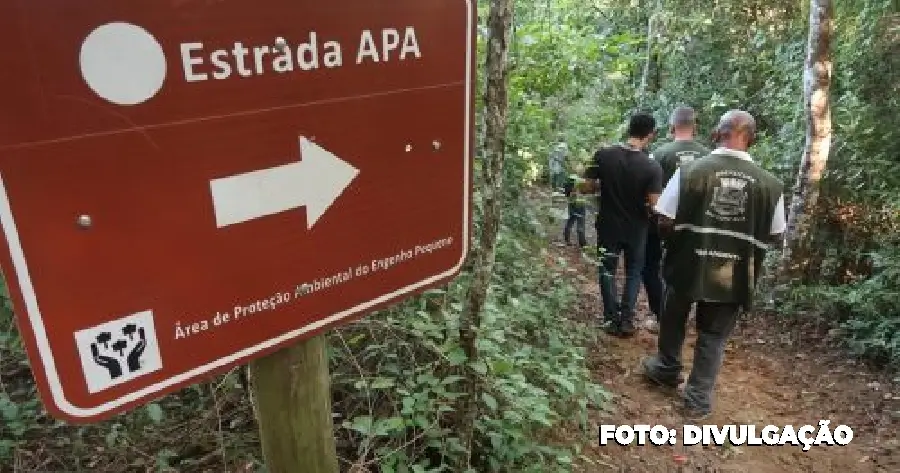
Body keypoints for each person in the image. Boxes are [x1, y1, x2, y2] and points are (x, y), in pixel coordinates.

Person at [641, 110, 786, 420]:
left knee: (673, 315)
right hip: (734, 272)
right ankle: (697, 401)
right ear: (751, 138)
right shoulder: (770, 185)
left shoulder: (692, 172)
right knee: (714, 336)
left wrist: (680, 235)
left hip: (686, 263)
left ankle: (667, 368)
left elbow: (664, 218)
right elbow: (776, 234)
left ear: (716, 133)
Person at [580, 113, 663, 337]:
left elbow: (585, 187)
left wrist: (603, 187)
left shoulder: (604, 155)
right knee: (633, 271)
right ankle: (626, 320)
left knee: (607, 269)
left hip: (608, 224)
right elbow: (655, 205)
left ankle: (610, 318)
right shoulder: (651, 166)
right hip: (637, 228)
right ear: (650, 135)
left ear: (629, 130)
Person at [642, 106, 711, 333]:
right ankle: (692, 318)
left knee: (654, 267)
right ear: (695, 127)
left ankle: (662, 314)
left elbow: (648, 189)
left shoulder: (659, 154)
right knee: (692, 269)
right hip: (698, 225)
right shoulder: (708, 156)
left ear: (672, 127)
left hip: (662, 222)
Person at [562, 173, 587, 248]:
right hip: (580, 204)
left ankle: (567, 239)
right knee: (581, 223)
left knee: (570, 220)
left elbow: (566, 194)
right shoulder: (581, 181)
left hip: (571, 204)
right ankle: (582, 243)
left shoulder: (567, 182)